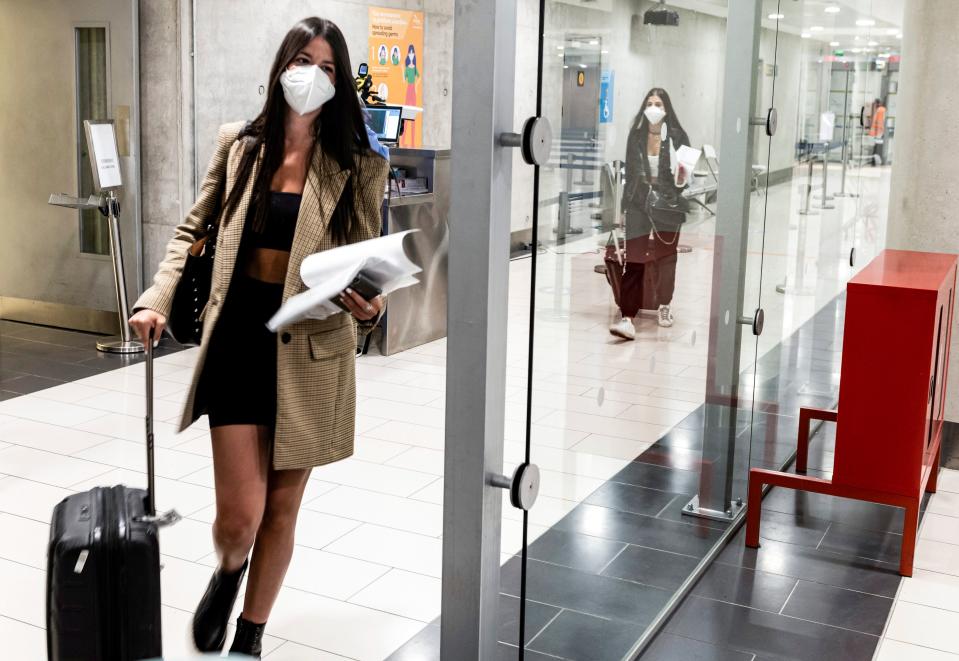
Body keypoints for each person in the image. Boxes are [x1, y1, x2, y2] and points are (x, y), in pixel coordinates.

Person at [128, 17, 389, 659]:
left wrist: (371, 306)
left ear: (340, 79)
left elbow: (368, 258)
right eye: (304, 60)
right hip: (240, 339)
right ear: (281, 66)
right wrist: (156, 296)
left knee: (281, 510)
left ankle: (251, 634)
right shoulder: (240, 144)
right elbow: (193, 230)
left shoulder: (356, 162)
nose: (313, 76)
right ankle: (227, 567)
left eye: (329, 68)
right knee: (238, 517)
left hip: (312, 350)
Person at [610, 87, 691, 340]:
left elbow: (685, 179)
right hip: (638, 204)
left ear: (666, 109)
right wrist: (623, 209)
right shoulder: (635, 136)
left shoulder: (677, 136)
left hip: (667, 204)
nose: (654, 108)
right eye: (650, 103)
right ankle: (627, 317)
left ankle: (664, 306)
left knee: (667, 258)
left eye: (658, 104)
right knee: (634, 260)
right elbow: (630, 175)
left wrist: (680, 179)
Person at [870, 97, 886, 166]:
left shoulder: (880, 110)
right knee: (876, 147)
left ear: (878, 103)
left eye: (875, 103)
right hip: (878, 132)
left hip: (878, 132)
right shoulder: (880, 110)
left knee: (877, 148)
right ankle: (875, 161)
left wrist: (878, 132)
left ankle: (876, 162)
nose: (874, 105)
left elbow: (879, 121)